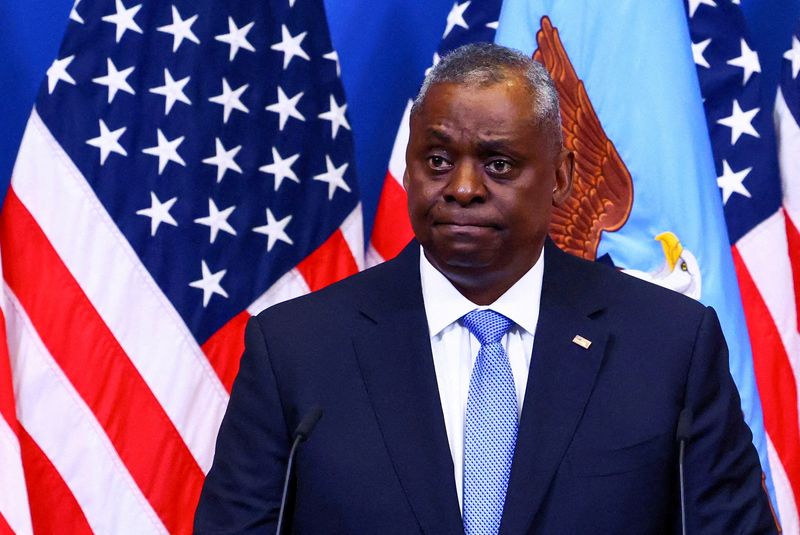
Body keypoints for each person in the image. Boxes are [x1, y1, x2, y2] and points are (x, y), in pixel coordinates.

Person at [194, 43, 776, 534]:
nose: (463, 188)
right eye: (439, 159)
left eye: (498, 164)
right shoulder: (296, 349)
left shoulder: (669, 345)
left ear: (562, 177)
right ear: (409, 167)